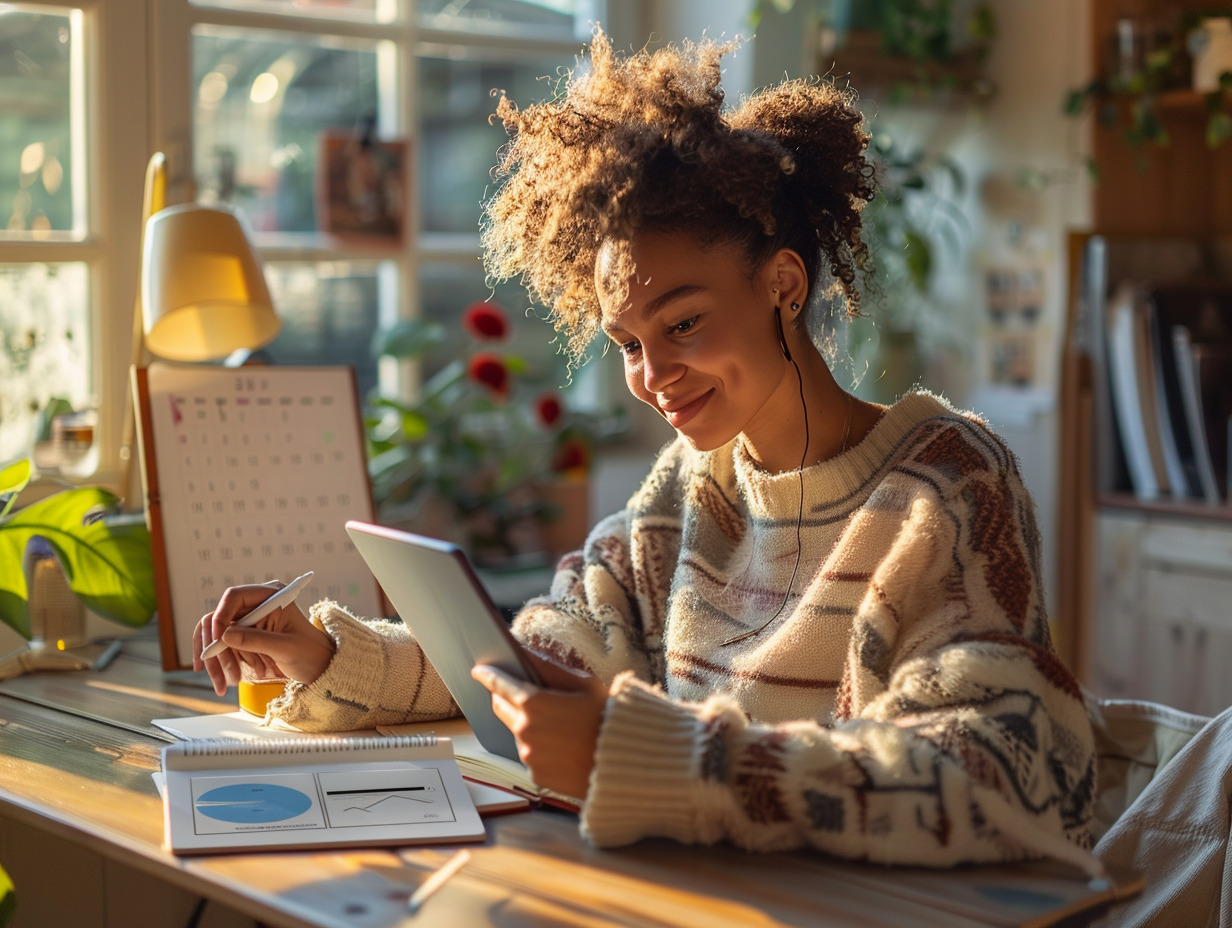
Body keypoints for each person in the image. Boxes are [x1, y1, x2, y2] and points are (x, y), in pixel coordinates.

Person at [194, 28, 1098, 870]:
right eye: (628, 342)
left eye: (685, 323)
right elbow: (546, 653)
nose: (653, 374)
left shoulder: (945, 484)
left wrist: (660, 760)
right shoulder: (688, 490)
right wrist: (329, 659)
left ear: (784, 283)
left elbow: (1004, 769)